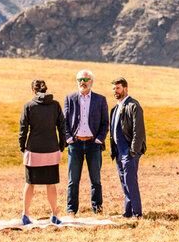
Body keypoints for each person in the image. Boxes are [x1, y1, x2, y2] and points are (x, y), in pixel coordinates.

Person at [19, 79, 67, 224]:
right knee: (51, 184)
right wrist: (61, 146)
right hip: (52, 150)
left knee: (30, 183)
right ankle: (54, 215)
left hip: (34, 150)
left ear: (33, 91)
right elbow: (62, 128)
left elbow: (23, 130)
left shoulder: (29, 106)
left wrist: (23, 147)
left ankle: (25, 214)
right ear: (46, 90)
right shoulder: (55, 105)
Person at [63, 69, 109, 216]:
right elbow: (64, 122)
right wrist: (69, 138)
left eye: (85, 80)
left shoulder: (100, 99)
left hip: (93, 145)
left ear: (91, 82)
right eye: (80, 80)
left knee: (95, 180)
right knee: (73, 180)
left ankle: (98, 209)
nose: (82, 82)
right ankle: (71, 210)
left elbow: (105, 123)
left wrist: (98, 140)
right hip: (75, 144)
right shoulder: (69, 99)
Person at [109, 77, 147, 219]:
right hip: (119, 151)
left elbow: (139, 131)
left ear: (125, 88)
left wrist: (133, 151)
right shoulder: (115, 108)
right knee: (124, 182)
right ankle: (128, 212)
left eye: (118, 88)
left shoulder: (133, 105)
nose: (115, 91)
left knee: (131, 182)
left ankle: (137, 213)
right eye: (113, 89)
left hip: (129, 152)